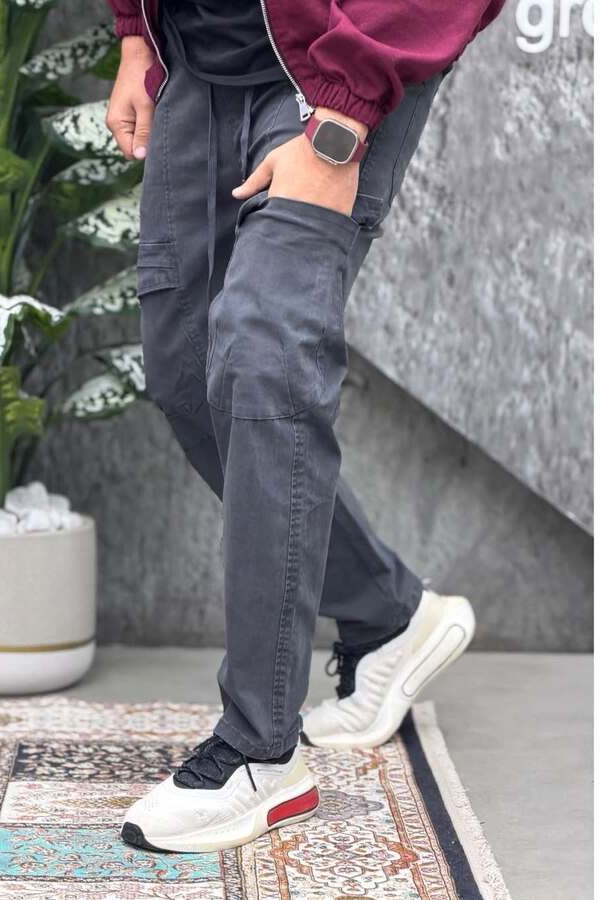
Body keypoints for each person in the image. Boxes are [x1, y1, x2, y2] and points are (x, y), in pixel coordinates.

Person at [105, 0, 504, 853]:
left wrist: (342, 118)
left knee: (265, 357)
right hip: (194, 61)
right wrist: (135, 29)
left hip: (328, 66)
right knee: (187, 378)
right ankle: (388, 616)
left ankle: (260, 752)